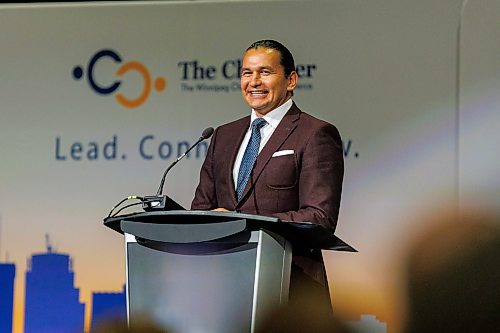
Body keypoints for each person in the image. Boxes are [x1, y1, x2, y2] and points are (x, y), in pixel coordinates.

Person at [191, 39, 344, 308]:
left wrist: (242, 221)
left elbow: (319, 218)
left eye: (265, 72)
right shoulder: (223, 136)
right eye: (247, 73)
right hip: (224, 292)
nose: (254, 82)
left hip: (289, 290)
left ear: (291, 80)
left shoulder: (315, 134)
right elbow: (202, 209)